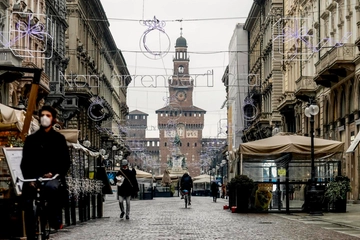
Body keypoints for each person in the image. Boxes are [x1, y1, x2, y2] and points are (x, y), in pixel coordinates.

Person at [20, 105, 71, 239]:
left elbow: (65, 162)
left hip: (52, 176)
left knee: (51, 190)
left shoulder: (59, 139)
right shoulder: (31, 139)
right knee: (27, 200)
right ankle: (30, 231)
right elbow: (25, 162)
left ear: (53, 119)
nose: (44, 118)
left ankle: (53, 218)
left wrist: (54, 172)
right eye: (42, 115)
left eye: (48, 116)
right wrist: (29, 178)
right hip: (34, 176)